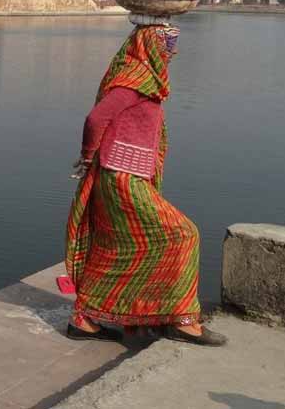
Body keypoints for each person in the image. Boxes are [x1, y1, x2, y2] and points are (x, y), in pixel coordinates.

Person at [64, 23, 226, 346]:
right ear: (150, 46)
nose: (173, 52)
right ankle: (180, 320)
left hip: (126, 174)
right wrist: (87, 157)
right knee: (183, 234)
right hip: (121, 178)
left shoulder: (143, 76)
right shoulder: (134, 79)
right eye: (167, 46)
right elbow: (96, 119)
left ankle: (84, 318)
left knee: (118, 247)